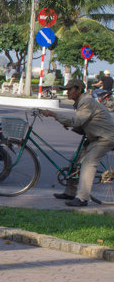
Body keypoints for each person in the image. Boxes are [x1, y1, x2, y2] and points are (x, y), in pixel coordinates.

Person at [41, 77, 114, 207]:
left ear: (79, 90)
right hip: (93, 136)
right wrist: (70, 125)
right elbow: (82, 122)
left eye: (70, 90)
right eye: (66, 90)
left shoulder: (86, 102)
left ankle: (82, 198)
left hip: (105, 137)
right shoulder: (80, 102)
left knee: (88, 162)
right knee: (74, 162)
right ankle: (70, 192)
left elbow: (77, 121)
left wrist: (54, 115)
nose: (67, 92)